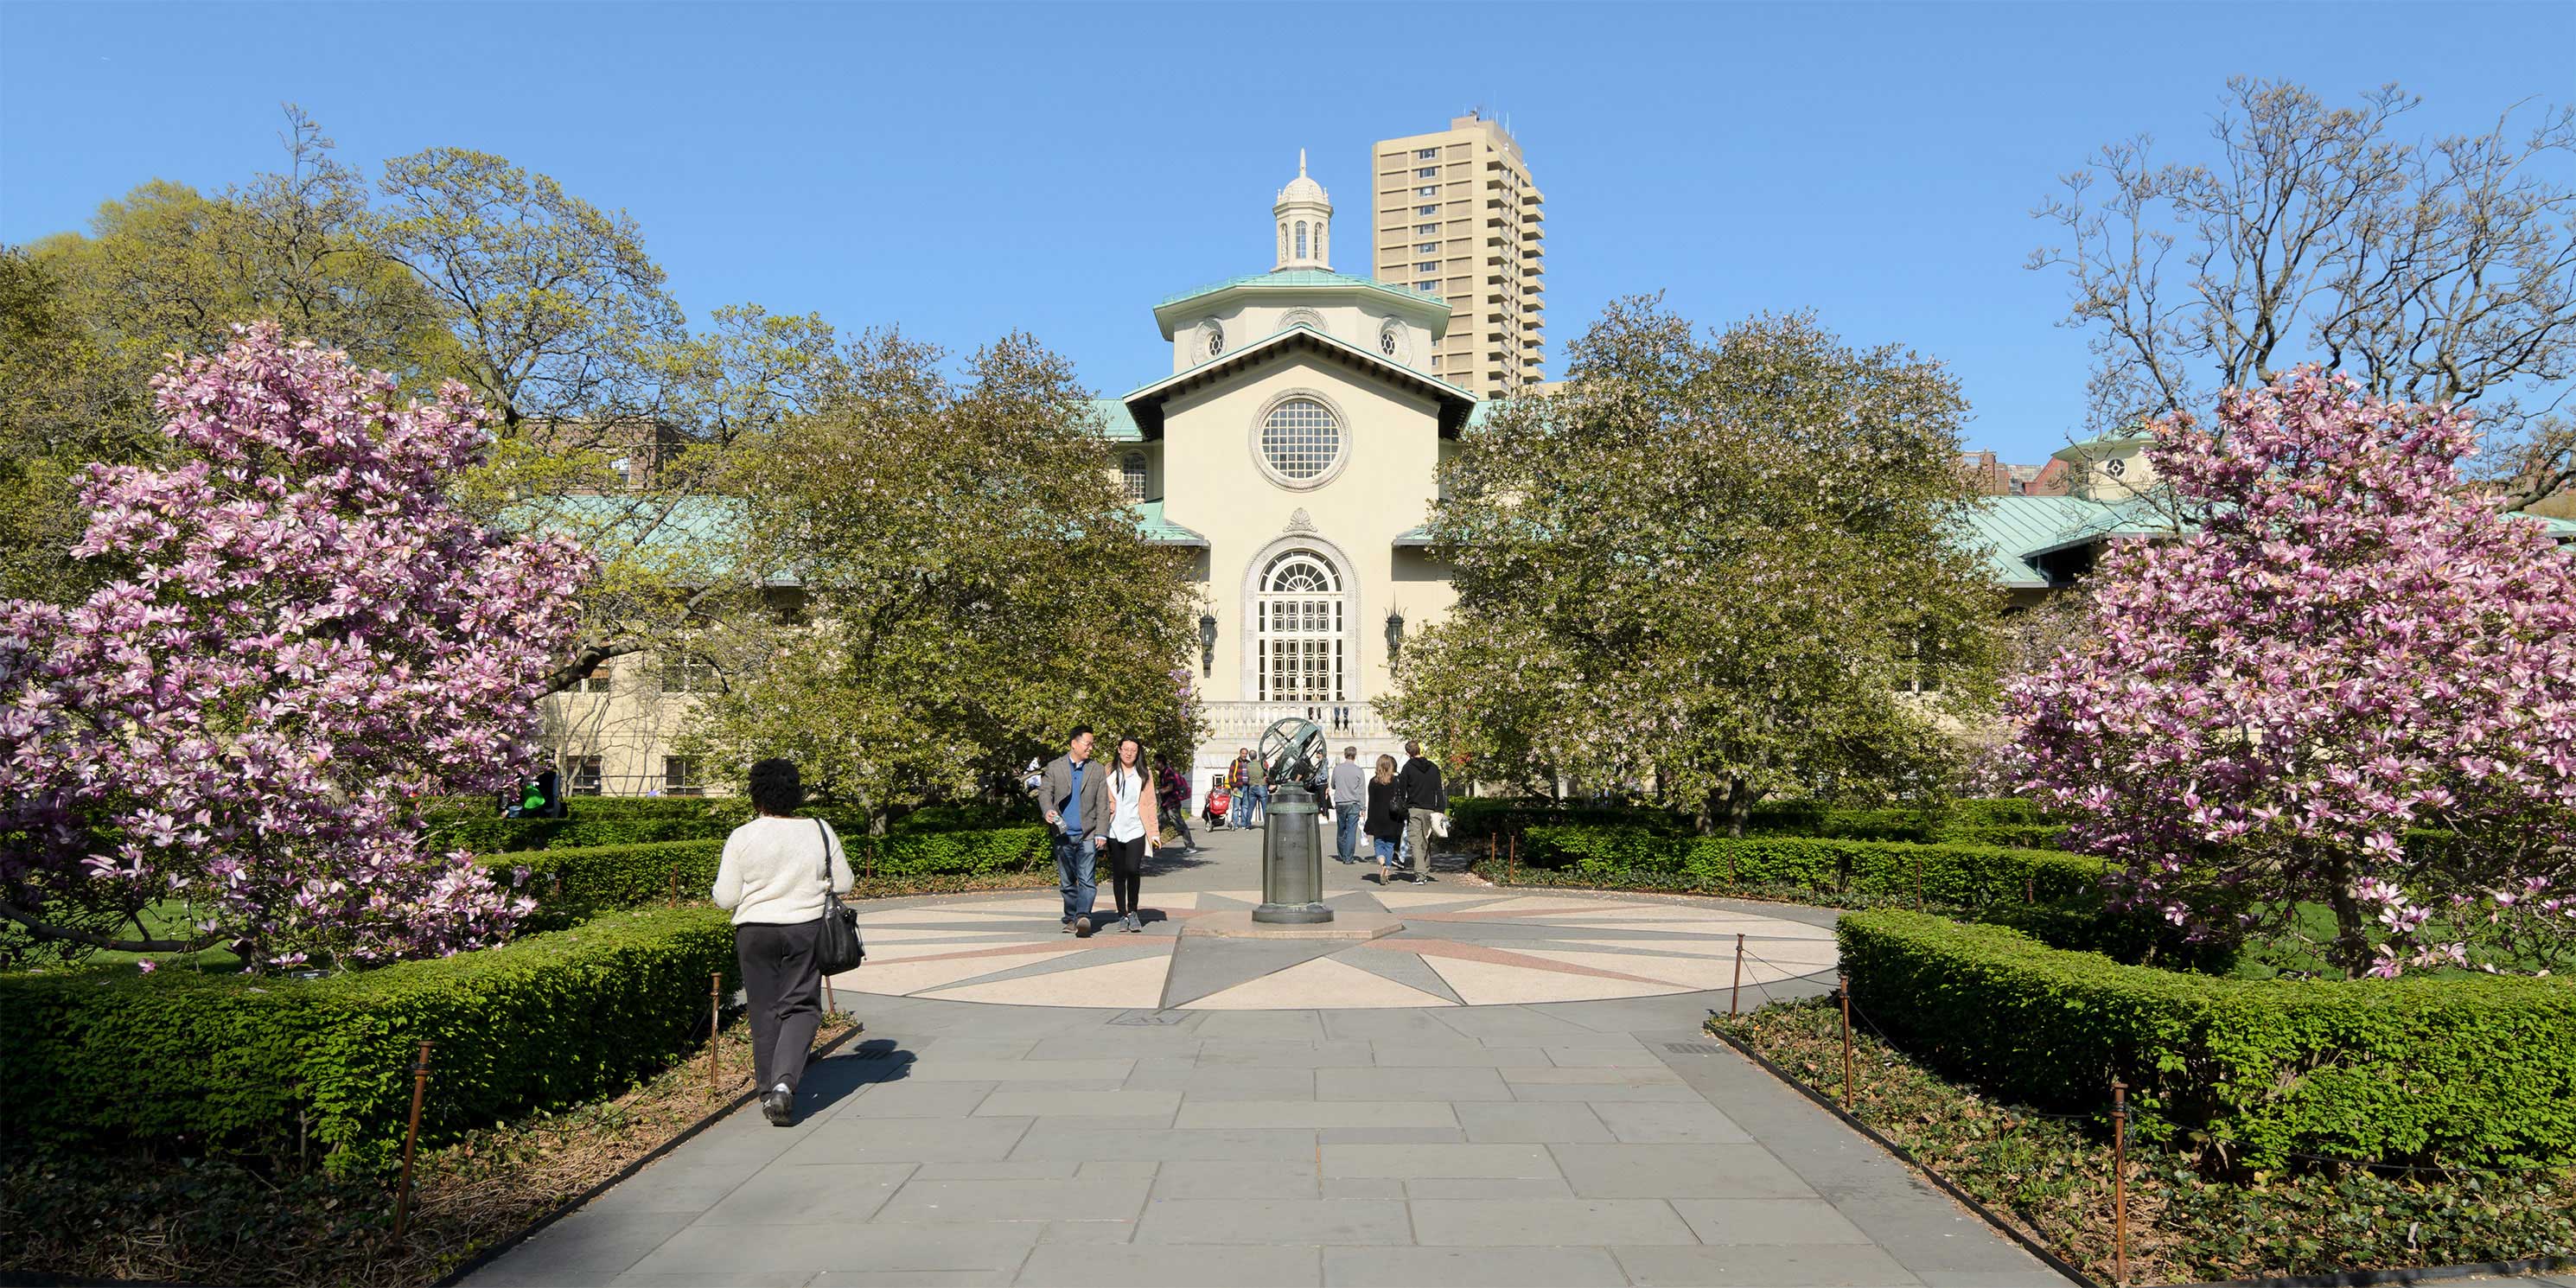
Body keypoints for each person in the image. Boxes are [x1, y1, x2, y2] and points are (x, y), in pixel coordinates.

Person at [711, 758, 852, 1127]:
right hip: (804, 928)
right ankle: (785, 1086)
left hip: (754, 932)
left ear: (756, 796)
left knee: (763, 1010)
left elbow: (726, 898)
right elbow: (846, 883)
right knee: (802, 1007)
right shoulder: (820, 830)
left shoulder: (742, 836)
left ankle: (767, 1092)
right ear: (797, 794)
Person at [1033, 726, 1111, 936]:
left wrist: (1102, 833)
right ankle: (1070, 917)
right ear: (1074, 744)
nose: (1091, 748)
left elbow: (1103, 804)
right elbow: (1045, 793)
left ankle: (1083, 916)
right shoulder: (1055, 767)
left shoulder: (1096, 769)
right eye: (1088, 743)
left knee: (1087, 879)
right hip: (1063, 834)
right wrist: (1048, 810)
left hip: (1088, 834)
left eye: (1092, 744)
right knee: (1067, 881)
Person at [1103, 736, 1160, 933]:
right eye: (1125, 749)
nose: (1129, 753)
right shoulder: (1108, 771)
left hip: (1137, 828)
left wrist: (1154, 833)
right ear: (1119, 749)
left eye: (1133, 750)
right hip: (1114, 829)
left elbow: (1151, 803)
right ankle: (1122, 914)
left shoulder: (1144, 774)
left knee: (1133, 869)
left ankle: (1133, 910)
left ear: (1138, 752)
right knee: (1118, 873)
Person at [1396, 740, 1448, 884]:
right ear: (1420, 750)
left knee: (1414, 840)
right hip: (1431, 808)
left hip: (1414, 808)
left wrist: (1404, 805)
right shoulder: (1433, 767)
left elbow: (1402, 789)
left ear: (1408, 753)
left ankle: (1420, 874)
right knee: (1425, 840)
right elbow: (1439, 789)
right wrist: (1440, 809)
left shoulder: (1407, 768)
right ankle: (1424, 868)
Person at [1364, 753, 1406, 883]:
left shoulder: (1373, 782)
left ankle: (1382, 864)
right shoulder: (1396, 781)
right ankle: (1387, 869)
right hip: (1392, 817)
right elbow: (1401, 798)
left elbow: (1371, 802)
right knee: (1390, 845)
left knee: (1378, 843)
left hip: (1377, 817)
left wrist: (1369, 820)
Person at [1328, 744, 1366, 863]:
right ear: (1355, 756)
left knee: (1341, 829)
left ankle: (1342, 853)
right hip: (1353, 803)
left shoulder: (1337, 769)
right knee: (1351, 831)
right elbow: (1361, 791)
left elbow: (1333, 785)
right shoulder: (1359, 771)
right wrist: (1363, 807)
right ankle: (1348, 857)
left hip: (1340, 802)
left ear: (1345, 755)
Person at [1157, 760, 1201, 854]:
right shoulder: (1164, 773)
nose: (1154, 764)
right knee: (1159, 824)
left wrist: (1159, 791)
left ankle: (1190, 846)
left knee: (1180, 824)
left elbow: (1170, 787)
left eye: (1156, 762)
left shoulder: (1168, 773)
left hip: (1172, 804)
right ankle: (1153, 845)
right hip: (1167, 804)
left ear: (1161, 763)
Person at [1227, 748, 1253, 827]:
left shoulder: (1249, 763)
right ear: (1240, 753)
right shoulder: (1235, 762)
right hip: (1238, 788)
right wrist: (1233, 786)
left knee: (1245, 806)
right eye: (1243, 753)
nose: (1244, 755)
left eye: (1246, 754)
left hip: (1247, 787)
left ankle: (1243, 823)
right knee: (1236, 807)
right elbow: (1231, 775)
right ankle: (1235, 824)